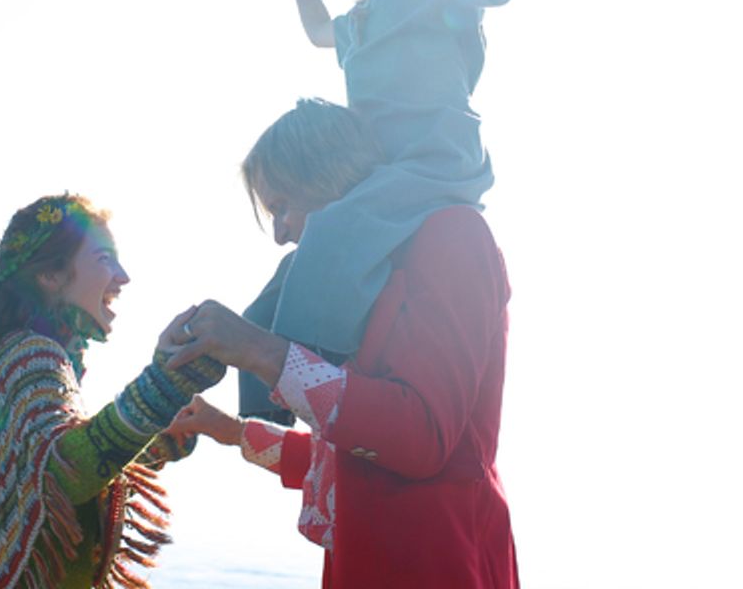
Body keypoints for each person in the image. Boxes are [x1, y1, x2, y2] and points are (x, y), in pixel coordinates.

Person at [257, 0, 578, 359]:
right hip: (381, 173)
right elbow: (316, 30)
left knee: (334, 231)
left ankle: (308, 377)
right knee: (299, 262)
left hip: (434, 161)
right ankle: (244, 393)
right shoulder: (366, 13)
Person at [163, 100, 518, 588]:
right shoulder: (368, 279)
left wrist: (262, 352)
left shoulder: (451, 236)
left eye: (282, 206)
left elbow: (422, 436)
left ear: (327, 178)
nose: (279, 233)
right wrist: (230, 430)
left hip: (444, 564)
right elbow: (350, 451)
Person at [0, 193, 225, 589]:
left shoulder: (14, 356)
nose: (122, 276)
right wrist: (165, 384)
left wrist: (158, 439)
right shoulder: (31, 355)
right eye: (105, 258)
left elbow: (38, 483)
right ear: (50, 275)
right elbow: (62, 473)